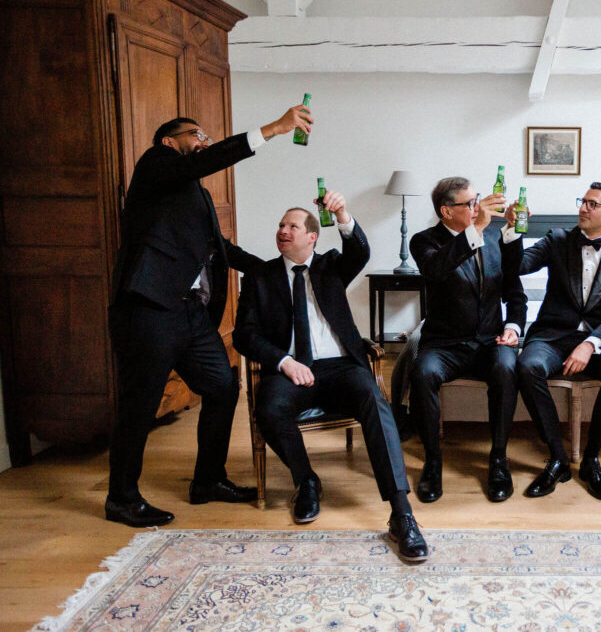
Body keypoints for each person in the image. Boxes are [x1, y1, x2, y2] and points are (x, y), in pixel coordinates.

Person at [106, 106, 311, 528]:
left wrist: (274, 272)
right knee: (140, 406)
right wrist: (274, 128)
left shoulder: (193, 194)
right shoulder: (155, 166)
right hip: (149, 308)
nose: (205, 139)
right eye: (196, 133)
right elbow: (206, 160)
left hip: (190, 315)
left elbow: (221, 248)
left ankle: (208, 481)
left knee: (221, 387)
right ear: (170, 141)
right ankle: (121, 498)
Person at [233, 197, 428, 562]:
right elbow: (243, 334)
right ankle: (306, 480)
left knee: (374, 398)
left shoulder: (332, 267)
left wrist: (342, 215)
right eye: (280, 225)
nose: (283, 231)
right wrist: (284, 361)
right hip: (292, 369)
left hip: (340, 366)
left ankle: (402, 514)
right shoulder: (260, 278)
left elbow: (360, 250)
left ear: (312, 237)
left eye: (292, 226)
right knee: (269, 408)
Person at [508, 183, 601, 500]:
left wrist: (591, 343)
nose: (583, 208)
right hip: (552, 334)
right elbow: (517, 266)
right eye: (583, 201)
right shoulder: (557, 239)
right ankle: (557, 459)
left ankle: (592, 459)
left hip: (595, 339)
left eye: (592, 204)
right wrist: (511, 229)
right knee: (527, 366)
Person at [409, 178, 527, 503]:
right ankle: (433, 463)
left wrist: (514, 326)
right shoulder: (423, 242)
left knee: (507, 369)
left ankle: (498, 460)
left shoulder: (493, 236)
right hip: (445, 344)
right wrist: (473, 231)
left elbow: (515, 290)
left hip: (490, 341)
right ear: (446, 211)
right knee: (421, 373)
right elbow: (436, 271)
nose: (478, 207)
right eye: (471, 203)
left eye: (478, 200)